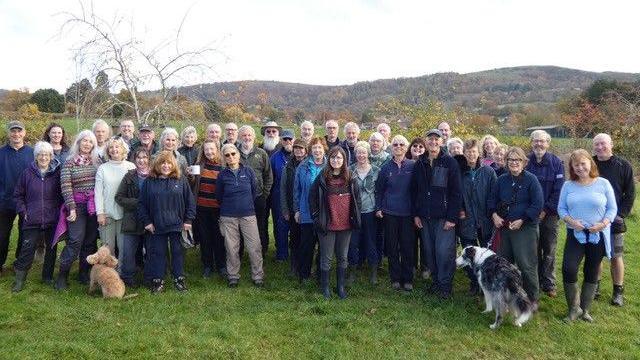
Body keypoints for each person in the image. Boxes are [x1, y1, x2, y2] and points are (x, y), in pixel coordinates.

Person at [558, 149, 617, 322]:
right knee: (568, 268)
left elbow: (612, 209)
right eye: (576, 165)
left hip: (597, 234)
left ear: (590, 163)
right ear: (572, 168)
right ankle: (573, 309)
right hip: (575, 234)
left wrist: (604, 223)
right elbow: (561, 209)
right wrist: (571, 220)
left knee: (592, 270)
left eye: (583, 163)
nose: (580, 168)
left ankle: (585, 310)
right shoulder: (568, 186)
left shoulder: (603, 184)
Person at [488, 146, 543, 309]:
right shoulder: (502, 180)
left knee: (526, 265)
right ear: (506, 162)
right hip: (504, 229)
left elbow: (537, 204)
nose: (514, 163)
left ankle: (532, 299)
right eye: (510, 160)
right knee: (503, 264)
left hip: (524, 229)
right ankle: (505, 297)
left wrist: (523, 219)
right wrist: (494, 215)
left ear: (524, 162)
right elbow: (491, 201)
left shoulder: (531, 180)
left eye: (517, 159)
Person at [411, 129, 462, 298]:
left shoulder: (450, 163)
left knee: (444, 252)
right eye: (430, 139)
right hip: (425, 217)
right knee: (430, 251)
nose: (433, 142)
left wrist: (452, 218)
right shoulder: (420, 163)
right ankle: (436, 282)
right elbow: (416, 191)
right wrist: (416, 214)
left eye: (436, 139)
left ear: (441, 142)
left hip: (444, 217)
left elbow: (456, 192)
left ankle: (445, 286)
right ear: (426, 142)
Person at [138, 150, 195, 293]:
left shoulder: (181, 180)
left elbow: (190, 201)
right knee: (158, 253)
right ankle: (158, 281)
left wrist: (188, 220)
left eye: (169, 163)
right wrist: (147, 222)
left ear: (173, 164)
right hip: (156, 225)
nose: (166, 166)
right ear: (157, 165)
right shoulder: (149, 182)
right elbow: (141, 204)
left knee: (177, 253)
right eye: (163, 163)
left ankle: (179, 279)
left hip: (177, 224)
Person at [310, 147, 361, 299]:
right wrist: (316, 217)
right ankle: (325, 288)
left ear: (344, 160)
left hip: (345, 225)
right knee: (326, 257)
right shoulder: (322, 176)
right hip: (327, 224)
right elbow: (312, 197)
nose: (336, 160)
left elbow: (357, 199)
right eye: (333, 158)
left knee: (343, 257)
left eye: (339, 158)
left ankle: (340, 287)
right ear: (329, 159)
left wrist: (355, 216)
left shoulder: (350, 177)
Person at [11, 142, 62, 291]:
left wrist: (59, 211)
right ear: (36, 156)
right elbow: (18, 195)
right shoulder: (27, 173)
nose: (43, 157)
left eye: (46, 154)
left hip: (52, 218)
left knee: (51, 249)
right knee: (27, 248)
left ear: (51, 156)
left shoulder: (56, 174)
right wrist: (23, 211)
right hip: (31, 219)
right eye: (40, 154)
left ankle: (47, 276)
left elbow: (62, 195)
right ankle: (20, 280)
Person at [592, 133, 635, 306]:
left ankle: (618, 291)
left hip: (614, 221)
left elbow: (630, 193)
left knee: (616, 256)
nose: (600, 147)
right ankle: (594, 287)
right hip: (593, 220)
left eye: (603, 144)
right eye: (596, 144)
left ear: (611, 144)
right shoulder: (589, 163)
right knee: (596, 256)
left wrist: (619, 215)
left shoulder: (623, 165)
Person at [55, 130, 101, 290]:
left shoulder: (97, 161)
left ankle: (84, 273)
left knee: (89, 241)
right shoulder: (69, 162)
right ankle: (62, 276)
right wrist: (71, 208)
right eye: (84, 141)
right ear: (79, 142)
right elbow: (65, 186)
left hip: (93, 206)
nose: (87, 144)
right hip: (77, 206)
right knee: (75, 241)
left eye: (90, 141)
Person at [217, 144, 265, 287]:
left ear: (238, 154)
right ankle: (233, 276)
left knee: (254, 246)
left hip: (248, 215)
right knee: (232, 247)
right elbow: (219, 196)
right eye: (227, 155)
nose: (231, 157)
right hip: (228, 216)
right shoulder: (222, 175)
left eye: (233, 153)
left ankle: (258, 276)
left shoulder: (248, 171)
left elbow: (254, 192)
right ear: (224, 158)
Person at [454, 138, 497, 294]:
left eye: (474, 151)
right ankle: (474, 283)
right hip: (466, 220)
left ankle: (487, 282)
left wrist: (491, 214)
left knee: (486, 254)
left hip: (485, 220)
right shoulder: (459, 173)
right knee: (469, 254)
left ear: (479, 152)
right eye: (468, 152)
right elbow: (455, 194)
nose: (471, 155)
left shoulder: (488, 172)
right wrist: (459, 209)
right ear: (464, 154)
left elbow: (494, 195)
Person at [525, 130, 564, 298]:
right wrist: (533, 211)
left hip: (550, 215)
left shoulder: (556, 163)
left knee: (548, 249)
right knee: (532, 249)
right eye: (535, 141)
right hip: (530, 215)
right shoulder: (526, 161)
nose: (538, 144)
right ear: (531, 143)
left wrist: (545, 210)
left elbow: (559, 190)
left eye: (542, 141)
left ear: (548, 144)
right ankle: (535, 281)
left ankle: (548, 282)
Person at [377, 135, 416, 291]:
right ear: (391, 147)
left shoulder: (413, 166)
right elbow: (379, 190)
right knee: (392, 247)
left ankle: (407, 279)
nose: (398, 146)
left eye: (401, 144)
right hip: (390, 212)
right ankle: (395, 278)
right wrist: (379, 207)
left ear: (406, 147)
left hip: (407, 213)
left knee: (407, 247)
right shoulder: (385, 168)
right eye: (395, 144)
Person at [94, 137, 136, 268]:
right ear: (108, 150)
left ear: (123, 149)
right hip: (107, 214)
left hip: (126, 215)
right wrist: (100, 213)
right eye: (111, 147)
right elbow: (98, 193)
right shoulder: (103, 168)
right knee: (108, 249)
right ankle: (107, 276)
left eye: (117, 146)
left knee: (124, 249)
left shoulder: (131, 167)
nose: (114, 149)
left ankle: (122, 274)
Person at [0, 121, 33, 274]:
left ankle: (19, 263)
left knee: (24, 234)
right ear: (9, 134)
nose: (16, 134)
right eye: (13, 131)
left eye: (19, 131)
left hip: (26, 202)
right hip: (4, 202)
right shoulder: (1, 153)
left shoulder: (32, 153)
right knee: (2, 235)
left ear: (24, 133)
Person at [114, 147, 150, 287]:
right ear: (134, 160)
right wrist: (137, 203)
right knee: (129, 251)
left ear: (149, 159)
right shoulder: (129, 176)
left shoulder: (154, 175)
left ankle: (150, 277)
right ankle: (128, 277)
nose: (142, 160)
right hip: (131, 219)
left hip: (149, 219)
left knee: (151, 250)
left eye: (145, 157)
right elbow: (119, 197)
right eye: (139, 158)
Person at [293, 137, 327, 282]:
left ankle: (321, 275)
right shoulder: (303, 166)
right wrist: (297, 210)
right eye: (314, 148)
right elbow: (297, 190)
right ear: (310, 150)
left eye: (319, 148)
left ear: (324, 148)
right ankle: (304, 274)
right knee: (306, 245)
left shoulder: (330, 165)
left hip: (325, 213)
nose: (317, 151)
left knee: (323, 247)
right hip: (306, 211)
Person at [192, 140, 226, 278]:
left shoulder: (223, 166)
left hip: (218, 209)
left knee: (219, 238)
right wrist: (190, 177)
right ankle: (207, 265)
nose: (209, 152)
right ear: (203, 151)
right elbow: (192, 185)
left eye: (212, 149)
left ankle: (221, 266)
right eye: (207, 150)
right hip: (202, 208)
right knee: (205, 238)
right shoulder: (199, 165)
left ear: (217, 150)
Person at [348, 141, 380, 284]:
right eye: (358, 152)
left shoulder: (376, 170)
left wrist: (379, 208)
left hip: (370, 212)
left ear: (368, 154)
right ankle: (352, 270)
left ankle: (373, 271)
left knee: (370, 241)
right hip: (354, 212)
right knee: (353, 242)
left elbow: (380, 192)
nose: (361, 155)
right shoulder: (349, 170)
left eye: (363, 152)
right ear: (355, 154)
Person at [238, 125, 273, 256]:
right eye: (244, 135)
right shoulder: (234, 153)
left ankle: (261, 254)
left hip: (258, 197)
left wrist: (264, 194)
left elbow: (268, 176)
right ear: (239, 137)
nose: (247, 138)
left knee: (260, 226)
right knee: (239, 227)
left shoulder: (261, 153)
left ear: (253, 137)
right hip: (239, 199)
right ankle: (239, 254)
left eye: (249, 135)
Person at [280, 139, 307, 275]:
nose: (298, 150)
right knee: (294, 238)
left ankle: (305, 266)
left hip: (307, 209)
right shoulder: (288, 167)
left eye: (301, 148)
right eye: (296, 148)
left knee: (306, 239)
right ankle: (294, 266)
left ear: (306, 150)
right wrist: (285, 209)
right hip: (292, 209)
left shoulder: (310, 165)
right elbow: (283, 189)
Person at [270, 129, 294, 261]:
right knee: (281, 226)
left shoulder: (299, 155)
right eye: (285, 139)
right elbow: (270, 178)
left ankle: (295, 252)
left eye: (290, 139)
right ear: (281, 140)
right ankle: (281, 254)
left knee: (296, 225)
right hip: (278, 196)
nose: (288, 142)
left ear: (294, 140)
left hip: (295, 196)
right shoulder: (274, 157)